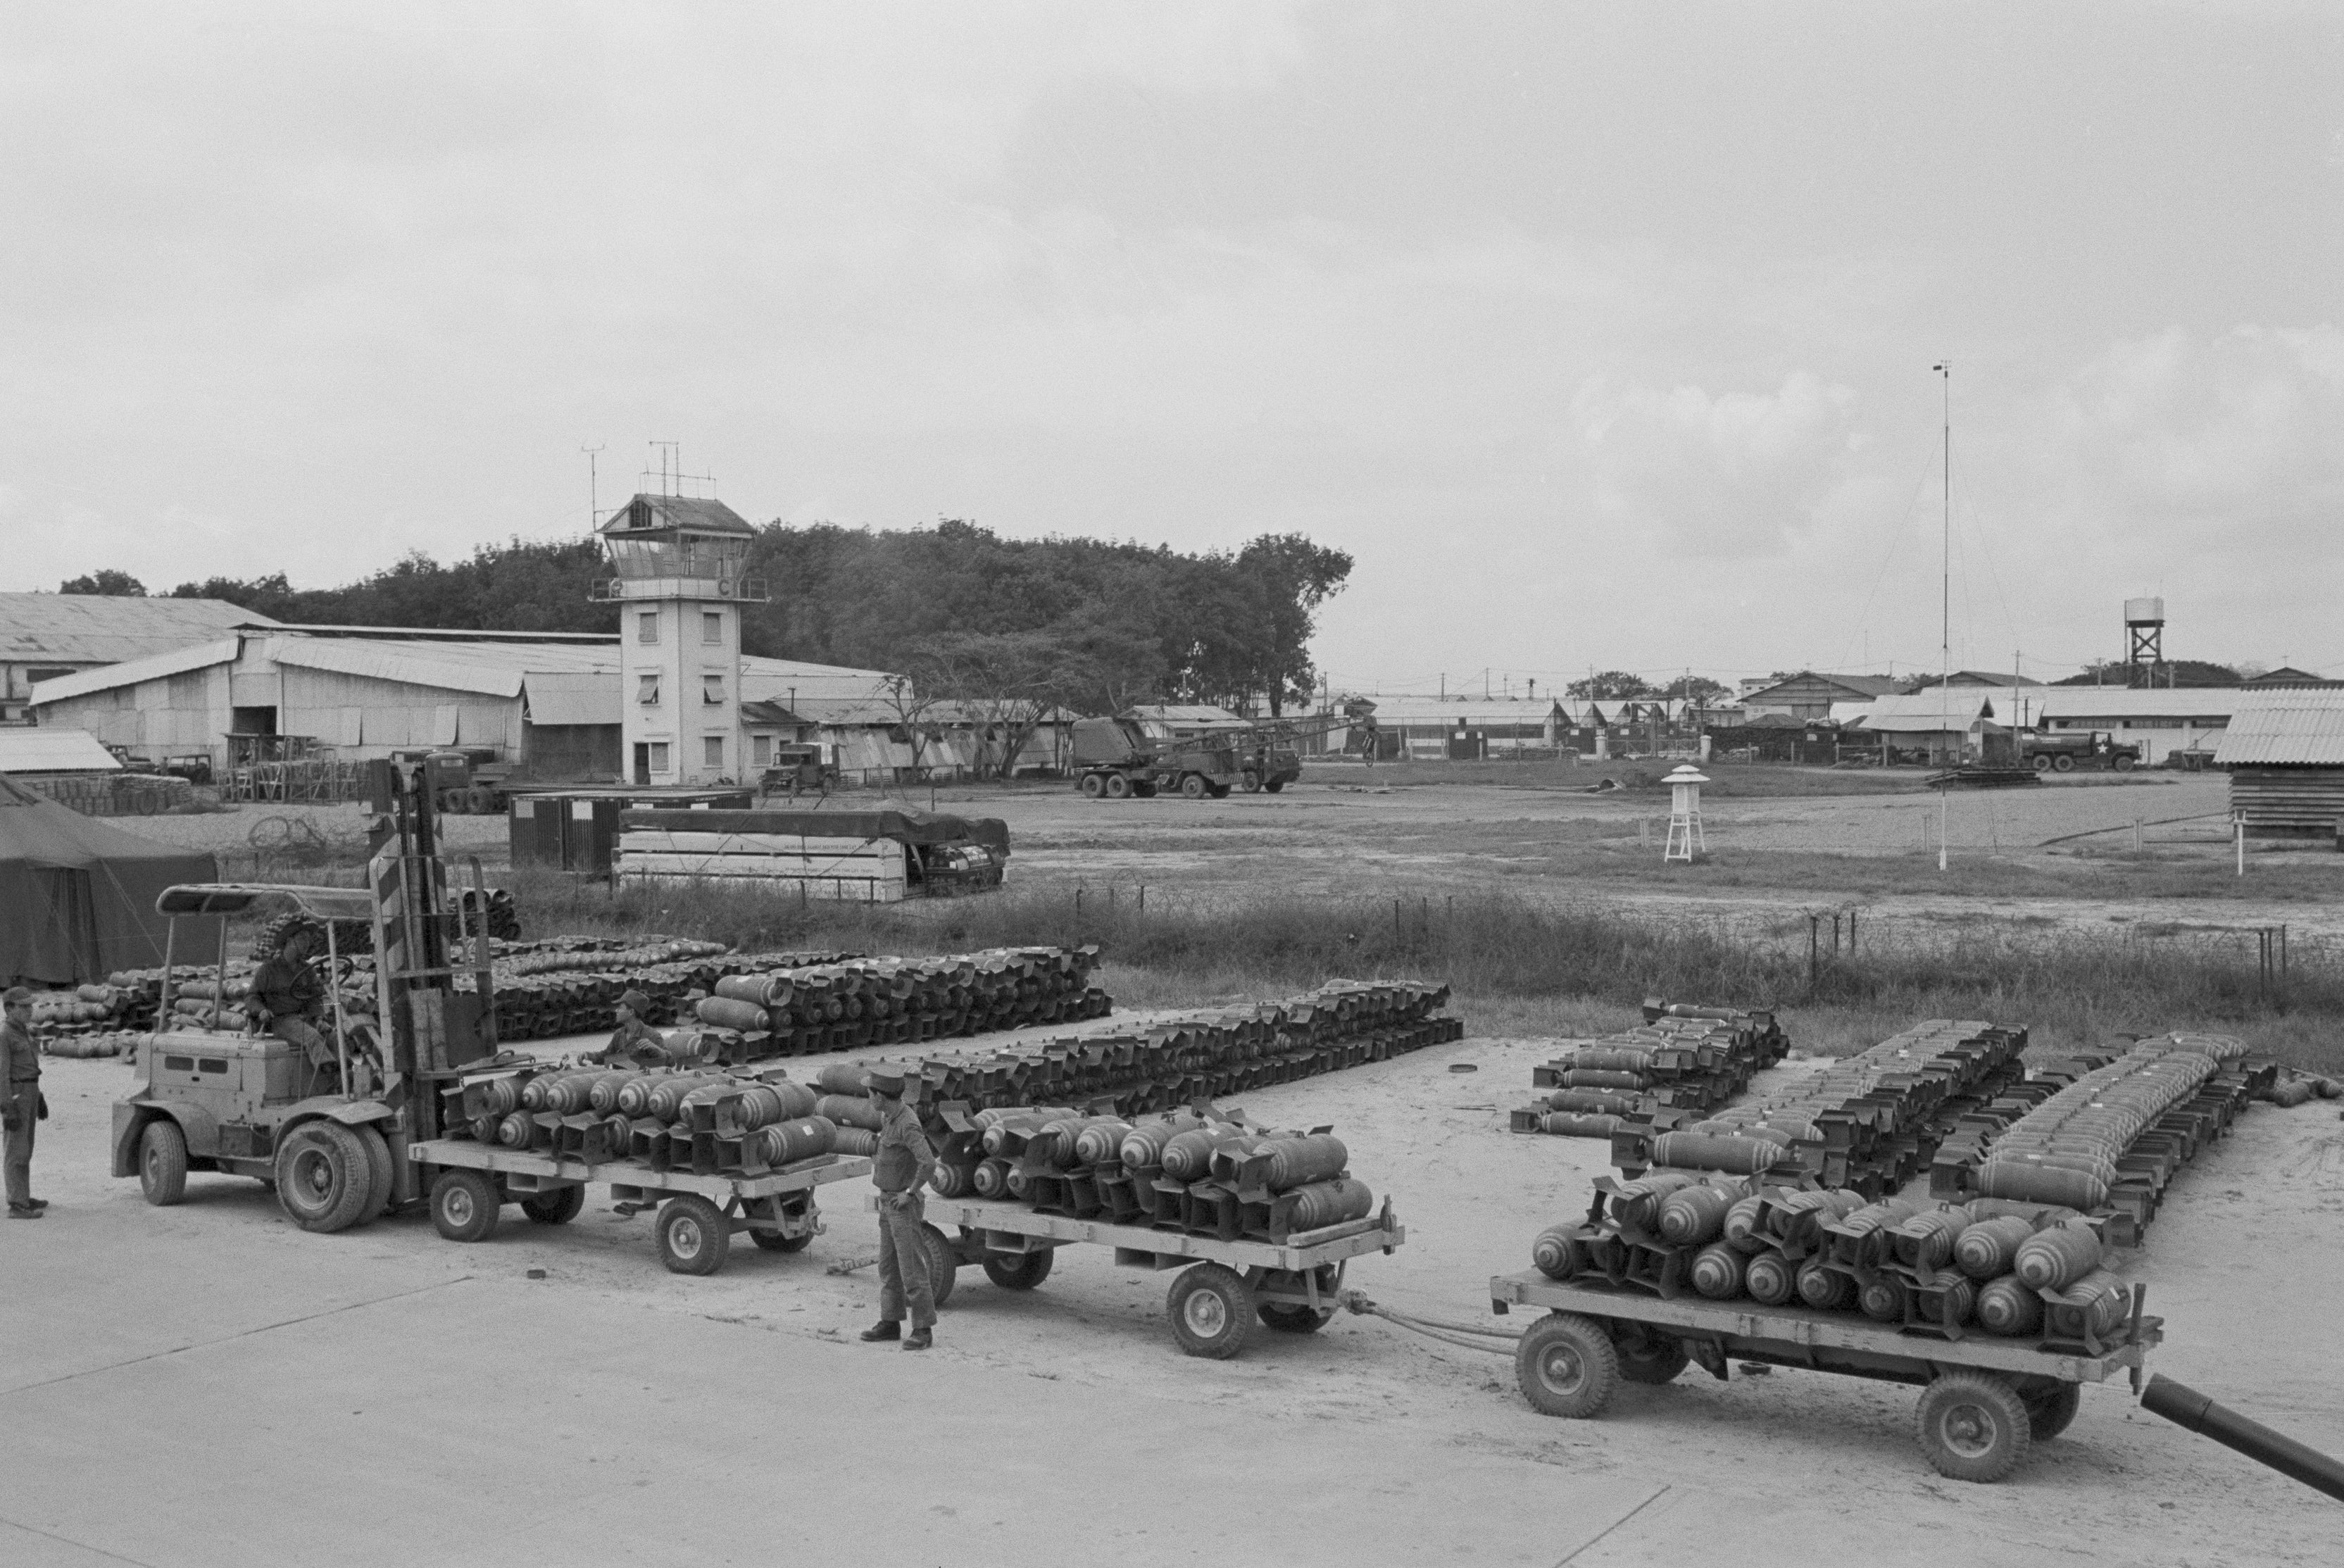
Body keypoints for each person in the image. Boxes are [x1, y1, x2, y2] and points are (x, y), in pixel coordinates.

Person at [860, 1065, 936, 1350]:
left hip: (902, 1206)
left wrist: (911, 1192)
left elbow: (928, 1163)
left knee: (912, 1269)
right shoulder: (888, 1117)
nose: (868, 1096)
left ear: (882, 1096)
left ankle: (923, 1329)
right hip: (887, 1202)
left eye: (871, 1092)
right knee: (888, 1267)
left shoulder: (907, 1123)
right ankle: (890, 1323)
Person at [250, 926, 332, 1072]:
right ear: (289, 941)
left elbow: (314, 998)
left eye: (308, 939)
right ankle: (330, 1070)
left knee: (334, 1036)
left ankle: (346, 1079)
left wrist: (319, 1018)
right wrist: (261, 1010)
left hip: (305, 1018)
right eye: (302, 938)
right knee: (312, 1036)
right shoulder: (268, 970)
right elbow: (252, 996)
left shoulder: (307, 970)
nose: (307, 943)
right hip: (281, 1020)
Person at [3, 986, 44, 1219]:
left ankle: (23, 1195)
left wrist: (39, 1095)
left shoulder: (23, 1032)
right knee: (16, 1151)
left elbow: (29, 1066)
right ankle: (16, 1204)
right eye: (24, 1006)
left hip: (29, 1090)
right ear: (9, 1009)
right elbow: (2, 1073)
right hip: (16, 1095)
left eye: (31, 1006)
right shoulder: (5, 1035)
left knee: (26, 1148)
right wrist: (7, 1107)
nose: (30, 1010)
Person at [593, 991, 676, 1067]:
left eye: (620, 1008)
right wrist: (588, 1056)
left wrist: (655, 1049)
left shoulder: (651, 1035)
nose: (616, 1010)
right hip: (621, 1079)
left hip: (640, 1081)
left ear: (631, 1012)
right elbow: (607, 1055)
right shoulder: (619, 1034)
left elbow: (671, 1062)